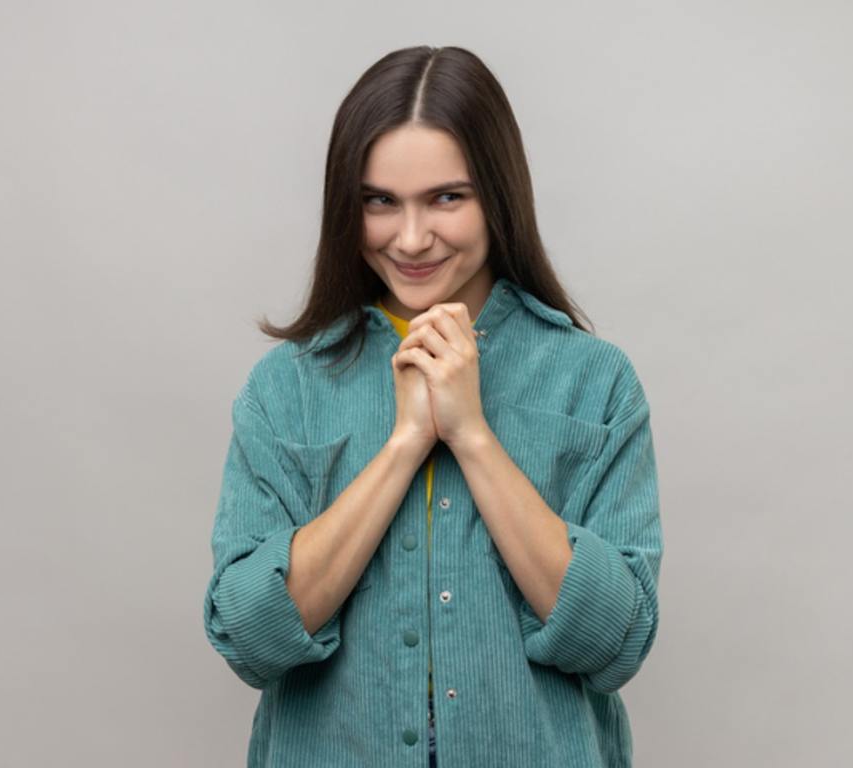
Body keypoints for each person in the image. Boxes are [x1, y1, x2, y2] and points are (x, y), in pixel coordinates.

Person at [203, 45, 663, 768]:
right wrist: (403, 445)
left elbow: (615, 643)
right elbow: (250, 639)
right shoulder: (283, 389)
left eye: (447, 197)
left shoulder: (594, 382)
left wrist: (472, 435)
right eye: (379, 201)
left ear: (498, 193)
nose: (411, 238)